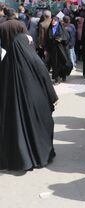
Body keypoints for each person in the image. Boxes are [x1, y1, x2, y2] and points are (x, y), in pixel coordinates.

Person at [0, 34, 58, 171]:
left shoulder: (5, 61)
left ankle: (19, 159)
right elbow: (45, 79)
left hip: (11, 106)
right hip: (35, 104)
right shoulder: (34, 59)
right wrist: (53, 97)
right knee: (37, 127)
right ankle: (38, 156)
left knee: (16, 130)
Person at [46, 17, 73, 84]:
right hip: (53, 50)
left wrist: (60, 39)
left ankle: (63, 75)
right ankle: (56, 78)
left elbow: (66, 38)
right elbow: (47, 40)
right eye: (52, 20)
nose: (53, 22)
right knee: (55, 64)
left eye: (55, 21)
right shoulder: (49, 29)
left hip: (62, 50)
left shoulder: (61, 29)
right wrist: (46, 49)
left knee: (63, 63)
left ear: (58, 22)